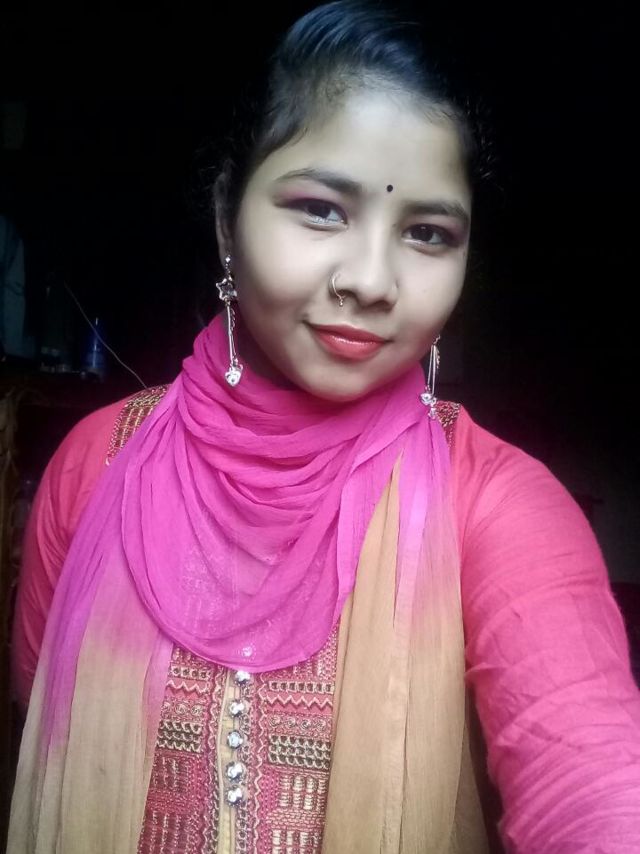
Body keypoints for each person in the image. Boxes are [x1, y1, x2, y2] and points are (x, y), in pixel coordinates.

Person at [7, 3, 640, 852]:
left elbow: (593, 784)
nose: (371, 280)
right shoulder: (95, 466)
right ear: (227, 215)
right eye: (321, 209)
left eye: (427, 232)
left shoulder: (496, 503)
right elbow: (42, 726)